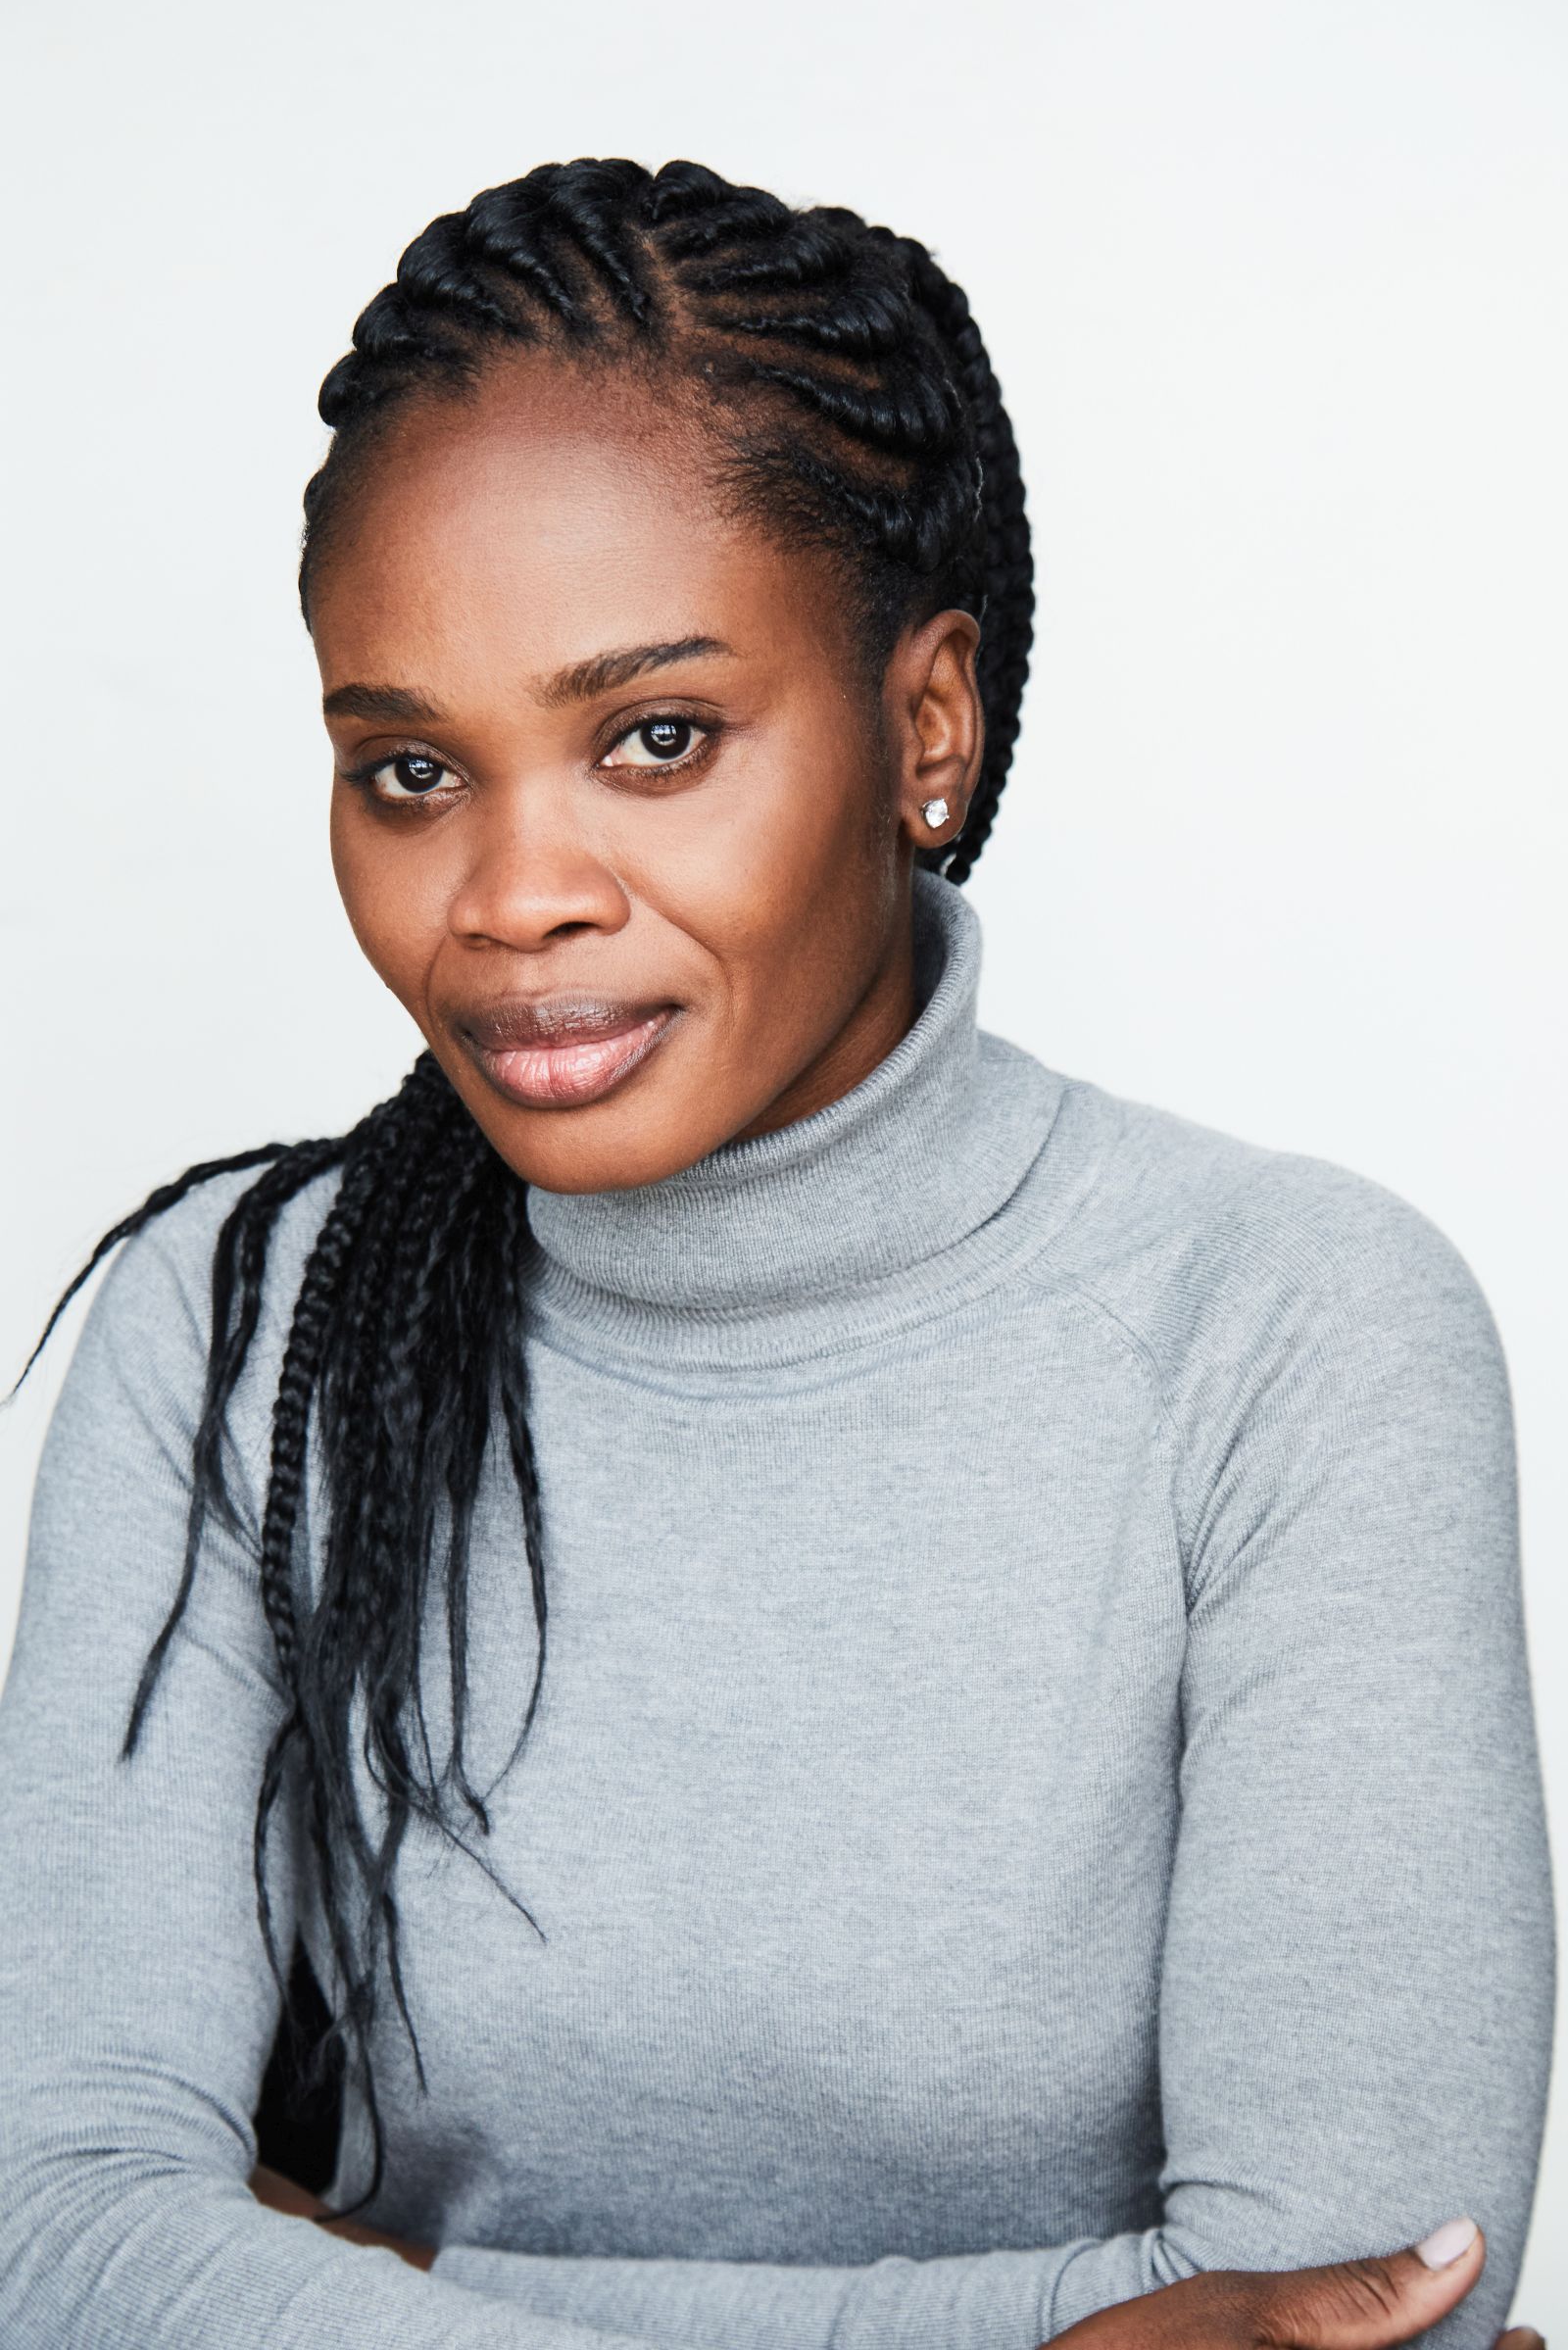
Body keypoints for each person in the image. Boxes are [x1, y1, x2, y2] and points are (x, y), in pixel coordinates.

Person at [0, 157, 1552, 2350]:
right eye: (413, 768)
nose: (507, 893)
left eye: (653, 738)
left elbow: (1354, 2291)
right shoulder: (239, 1335)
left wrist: (395, 2284)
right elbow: (49, 2231)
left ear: (924, 729)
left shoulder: (1286, 1333)